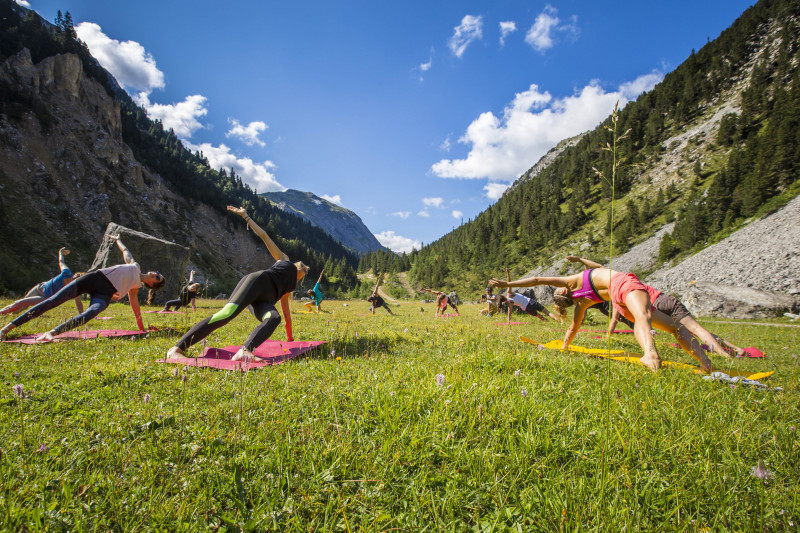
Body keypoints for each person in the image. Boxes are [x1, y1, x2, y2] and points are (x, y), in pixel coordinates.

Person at [489, 257, 714, 372]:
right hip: (622, 285)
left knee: (649, 320)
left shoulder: (581, 305)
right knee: (649, 318)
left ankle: (703, 362)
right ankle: (654, 354)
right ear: (563, 292)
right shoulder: (573, 281)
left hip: (619, 299)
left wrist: (564, 346)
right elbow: (538, 280)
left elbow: (572, 329)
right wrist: (507, 283)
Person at [166, 206, 309, 362]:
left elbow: (286, 314)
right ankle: (176, 349)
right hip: (256, 283)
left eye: (302, 273)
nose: (301, 272)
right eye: (301, 269)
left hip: (262, 301)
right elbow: (264, 235)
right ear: (298, 266)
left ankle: (244, 351)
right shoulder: (284, 259)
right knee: (226, 315)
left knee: (274, 318)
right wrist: (245, 216)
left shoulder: (290, 287)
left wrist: (290, 338)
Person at [567, 256, 745, 357]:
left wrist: (609, 333)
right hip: (662, 300)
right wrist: (581, 259)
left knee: (692, 330)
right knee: (694, 329)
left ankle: (727, 354)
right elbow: (599, 267)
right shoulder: (623, 283)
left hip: (657, 304)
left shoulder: (619, 290)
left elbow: (599, 270)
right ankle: (731, 351)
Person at [0, 236, 165, 341]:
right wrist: (118, 240)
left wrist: (141, 328)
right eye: (158, 273)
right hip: (93, 279)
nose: (155, 273)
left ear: (151, 284)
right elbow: (126, 253)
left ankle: (53, 332)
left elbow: (136, 307)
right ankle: (7, 329)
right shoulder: (135, 266)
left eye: (157, 277)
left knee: (90, 313)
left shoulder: (134, 287)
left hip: (104, 294)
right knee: (53, 301)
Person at [1, 247, 84, 316]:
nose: (76, 277)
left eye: (79, 278)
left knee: (23, 303)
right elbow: (61, 261)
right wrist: (60, 253)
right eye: (77, 275)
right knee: (24, 303)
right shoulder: (66, 272)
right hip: (40, 287)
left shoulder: (74, 289)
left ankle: (2, 313)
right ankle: (10, 315)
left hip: (45, 297)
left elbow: (79, 303)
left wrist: (83, 316)